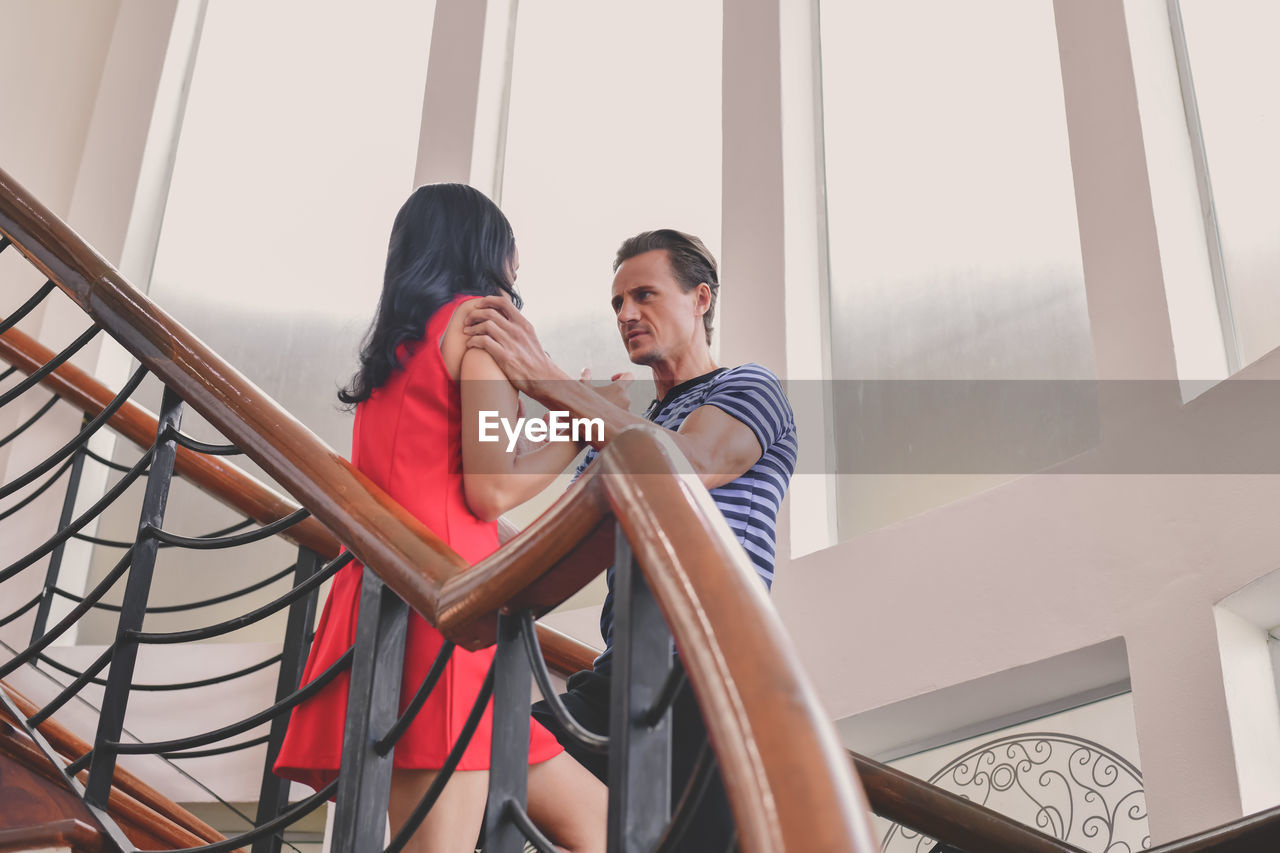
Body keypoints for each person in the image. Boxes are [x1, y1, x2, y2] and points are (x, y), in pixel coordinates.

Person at [273, 184, 608, 853]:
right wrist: (585, 422)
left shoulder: (394, 360)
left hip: (409, 611)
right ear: (484, 253)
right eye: (511, 263)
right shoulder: (476, 330)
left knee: (599, 819)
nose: (515, 282)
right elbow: (491, 487)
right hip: (447, 627)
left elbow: (456, 495)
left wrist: (577, 427)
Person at [462, 229, 798, 852]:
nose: (625, 314)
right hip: (625, 676)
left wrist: (553, 386)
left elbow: (690, 466)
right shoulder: (626, 434)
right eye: (617, 303)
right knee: (475, 777)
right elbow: (542, 551)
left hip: (716, 675)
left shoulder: (750, 387)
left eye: (643, 294)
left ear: (702, 298)